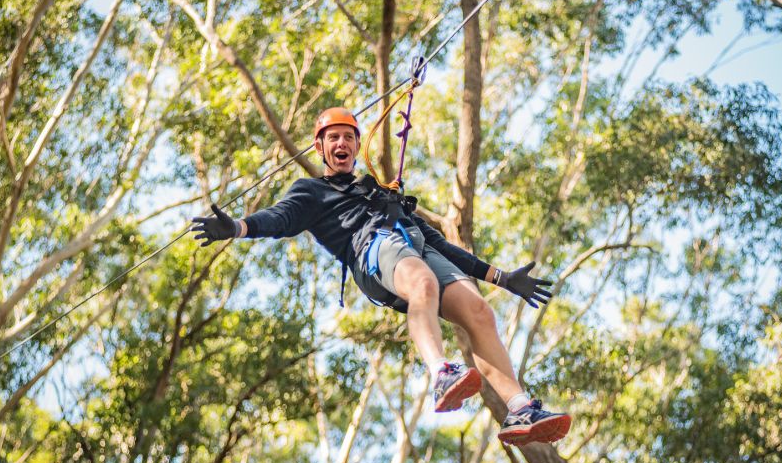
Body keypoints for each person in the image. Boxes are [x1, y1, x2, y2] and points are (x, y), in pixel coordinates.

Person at [191, 107, 570, 445]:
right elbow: (281, 218)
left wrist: (501, 278)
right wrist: (240, 227)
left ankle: (519, 407)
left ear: (357, 147)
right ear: (320, 147)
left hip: (413, 243)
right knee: (422, 282)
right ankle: (440, 372)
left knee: (479, 311)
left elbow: (438, 243)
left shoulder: (377, 192)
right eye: (333, 138)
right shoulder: (312, 192)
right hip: (371, 250)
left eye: (349, 138)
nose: (342, 143)